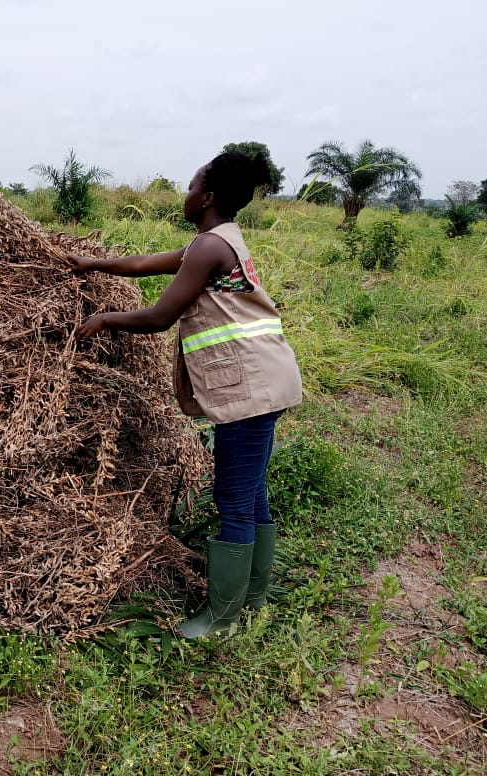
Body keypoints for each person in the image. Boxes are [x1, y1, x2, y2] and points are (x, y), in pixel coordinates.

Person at [68, 151, 302, 638]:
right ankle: (253, 596)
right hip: (264, 381)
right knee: (250, 491)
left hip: (251, 389)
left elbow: (159, 317)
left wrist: (104, 319)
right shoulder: (215, 242)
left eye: (192, 185)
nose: (186, 192)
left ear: (208, 197)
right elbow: (145, 264)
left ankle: (221, 617)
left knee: (234, 496)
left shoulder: (208, 248)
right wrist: (91, 264)